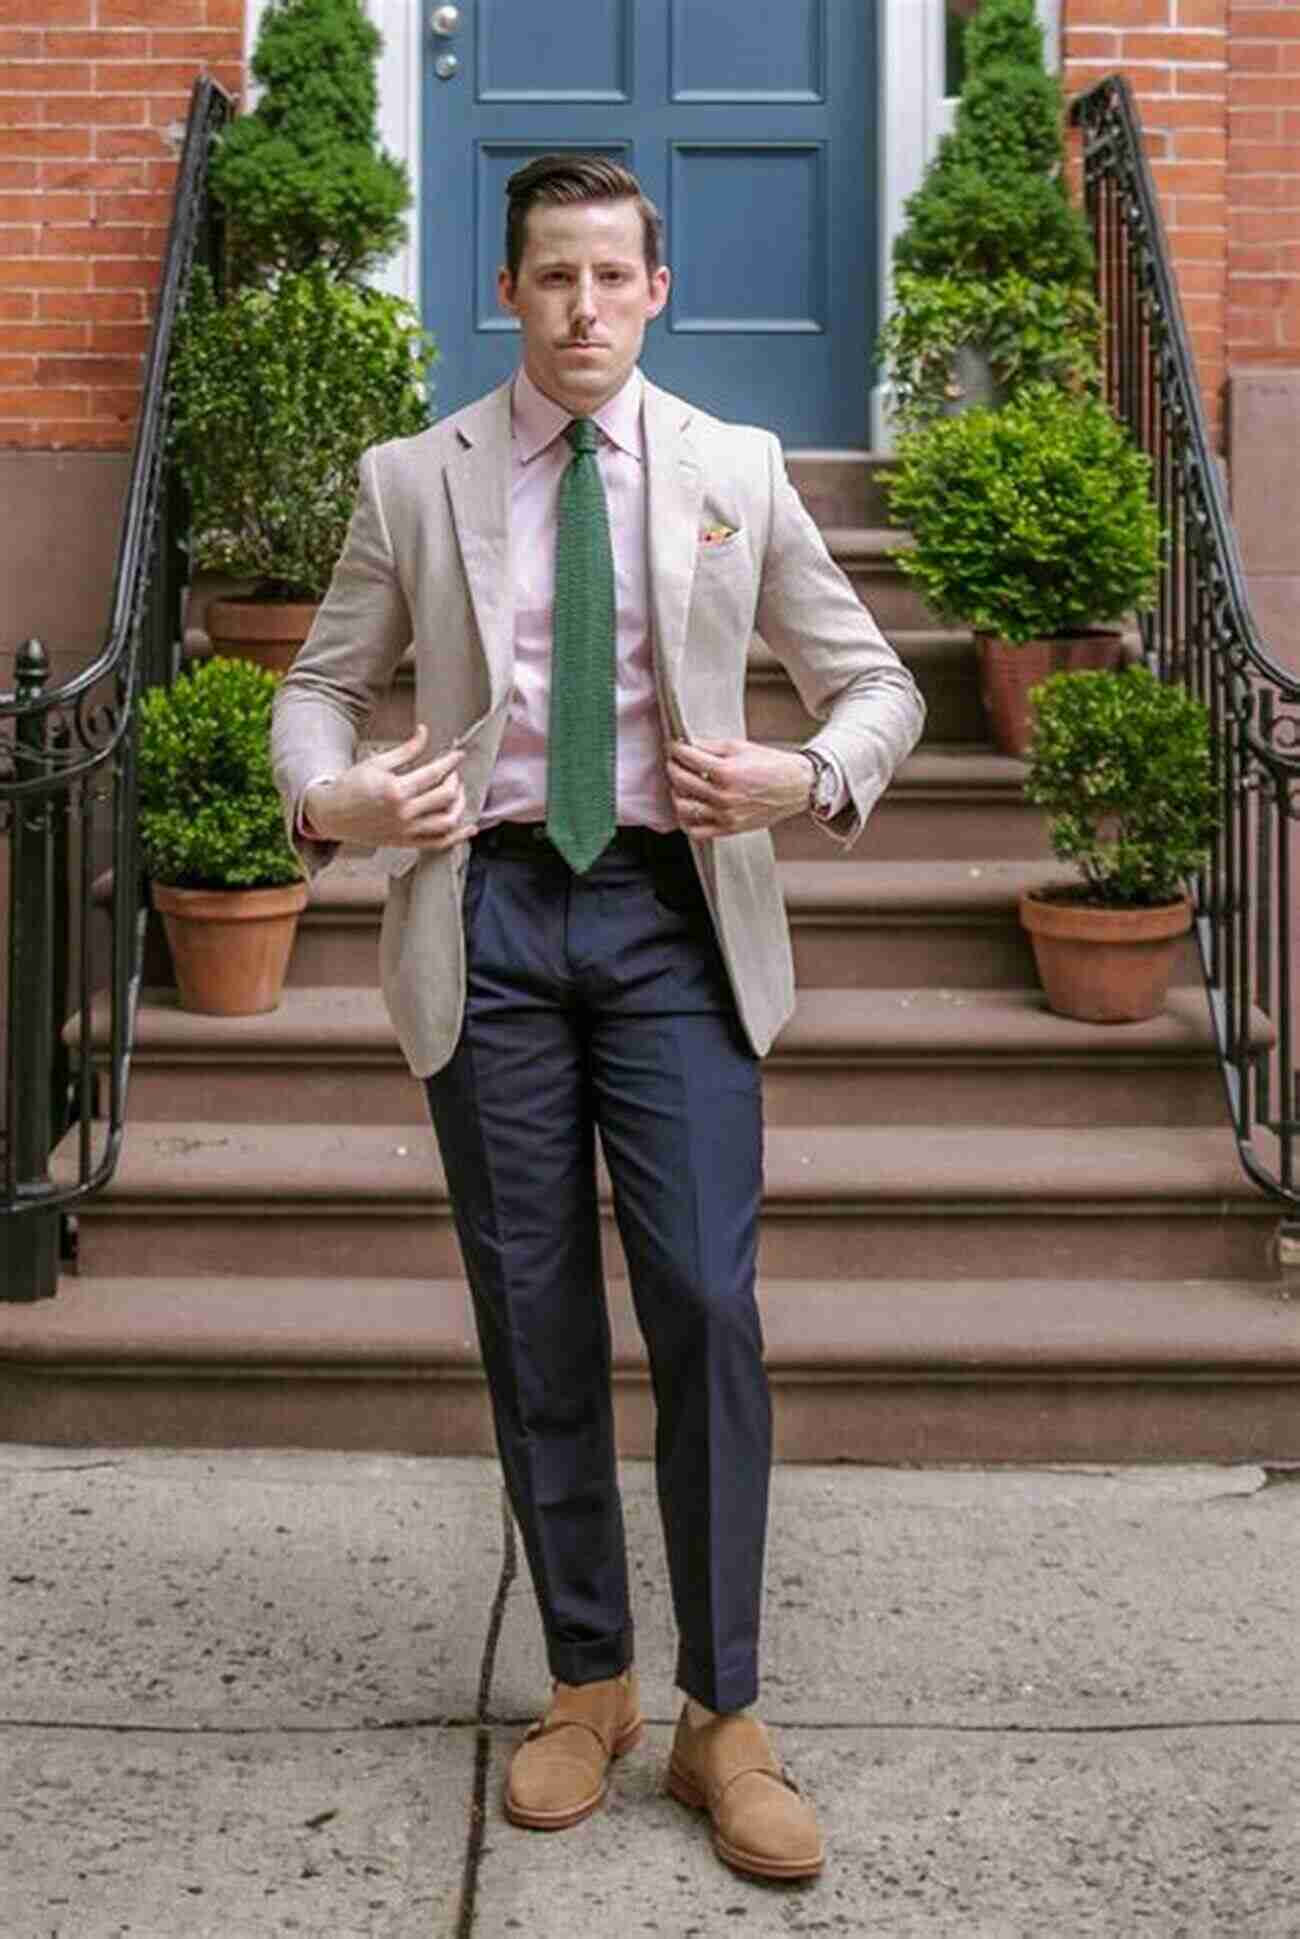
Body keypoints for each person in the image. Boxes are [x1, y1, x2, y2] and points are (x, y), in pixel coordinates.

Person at [272, 153, 924, 1883]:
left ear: (654, 291)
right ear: (510, 293)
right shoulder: (414, 479)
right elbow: (320, 687)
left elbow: (877, 683)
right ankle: (590, 1681)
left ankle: (727, 1715)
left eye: (608, 278)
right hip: (486, 918)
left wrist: (808, 774)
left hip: (668, 916)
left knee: (706, 1299)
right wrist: (332, 805)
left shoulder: (737, 469)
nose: (579, 307)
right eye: (549, 277)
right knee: (537, 1310)